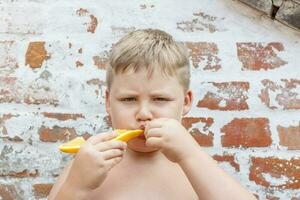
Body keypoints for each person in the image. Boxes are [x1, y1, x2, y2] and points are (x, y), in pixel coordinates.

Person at [48, 29, 256, 200]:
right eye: (129, 99)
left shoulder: (196, 166)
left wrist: (190, 154)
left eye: (160, 99)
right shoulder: (89, 162)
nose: (144, 114)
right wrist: (76, 186)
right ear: (108, 102)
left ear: (185, 102)